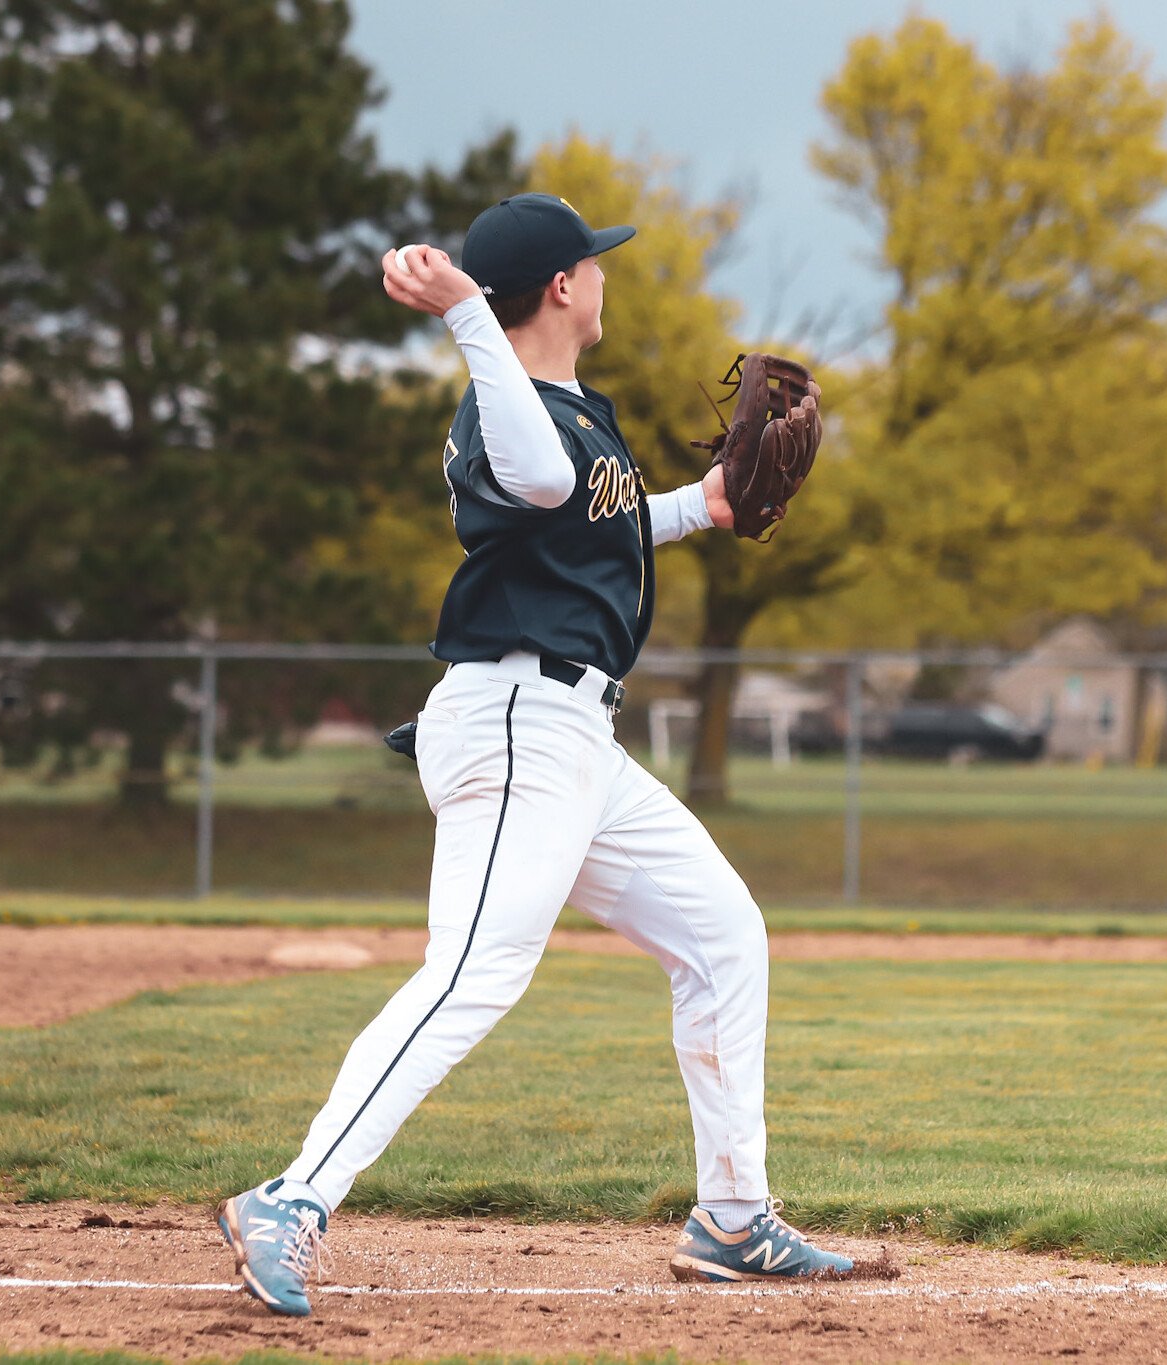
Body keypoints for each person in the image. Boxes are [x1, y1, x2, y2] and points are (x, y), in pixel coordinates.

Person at [215, 193, 858, 1317]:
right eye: (593, 265)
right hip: (515, 724)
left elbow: (592, 520)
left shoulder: (566, 409)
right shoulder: (500, 411)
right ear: (561, 287)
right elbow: (543, 482)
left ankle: (733, 1218)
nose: (605, 277)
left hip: (577, 739)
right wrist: (467, 313)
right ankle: (294, 1198)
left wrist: (702, 506)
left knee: (721, 937)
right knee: (474, 972)